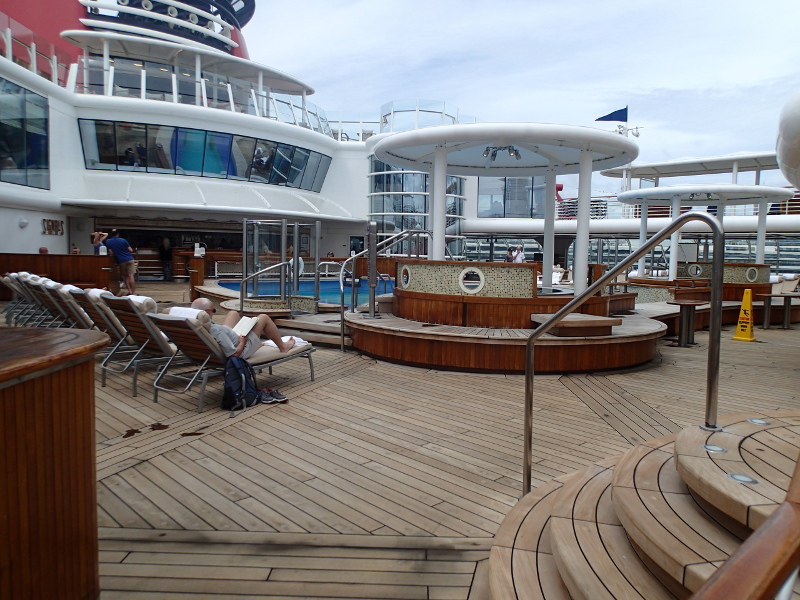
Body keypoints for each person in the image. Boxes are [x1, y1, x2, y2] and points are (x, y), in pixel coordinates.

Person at [191, 297, 296, 358]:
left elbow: (222, 335)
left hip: (227, 338)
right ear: (206, 312)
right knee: (263, 317)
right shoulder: (215, 331)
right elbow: (235, 354)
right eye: (213, 311)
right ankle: (283, 347)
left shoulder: (193, 322)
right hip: (241, 349)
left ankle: (251, 329)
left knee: (233, 313)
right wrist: (242, 341)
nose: (214, 313)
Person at [104, 229, 137, 295]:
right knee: (131, 276)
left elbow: (111, 252)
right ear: (118, 234)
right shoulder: (123, 240)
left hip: (121, 260)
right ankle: (133, 292)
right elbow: (130, 250)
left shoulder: (108, 241)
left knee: (126, 277)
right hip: (129, 259)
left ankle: (129, 291)